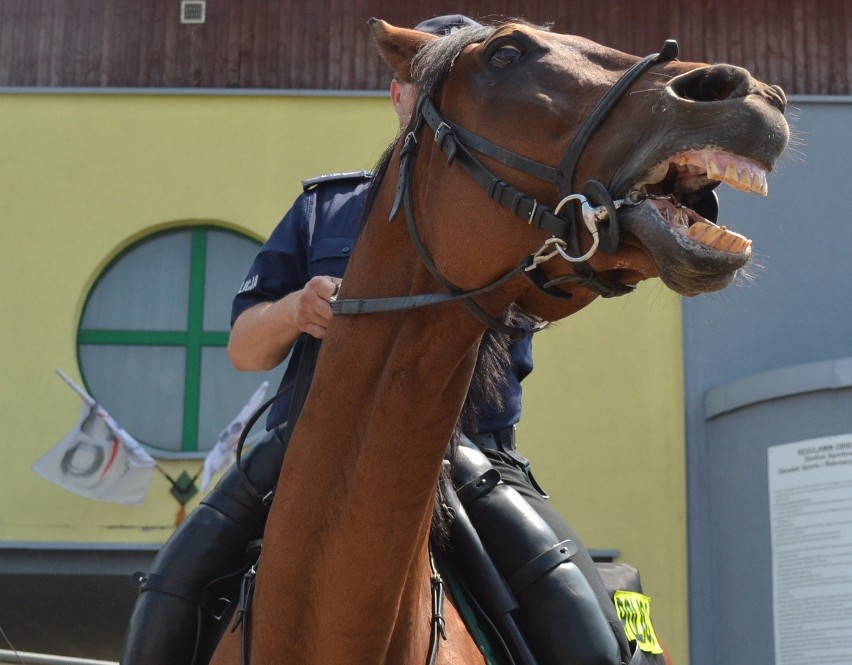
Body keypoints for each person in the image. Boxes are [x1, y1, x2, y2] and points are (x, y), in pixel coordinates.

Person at [122, 15, 653, 665]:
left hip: (472, 452)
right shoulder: (326, 206)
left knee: (592, 630)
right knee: (168, 589)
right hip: (308, 447)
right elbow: (245, 350)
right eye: (414, 84)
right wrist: (296, 308)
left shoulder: (521, 209)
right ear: (397, 96)